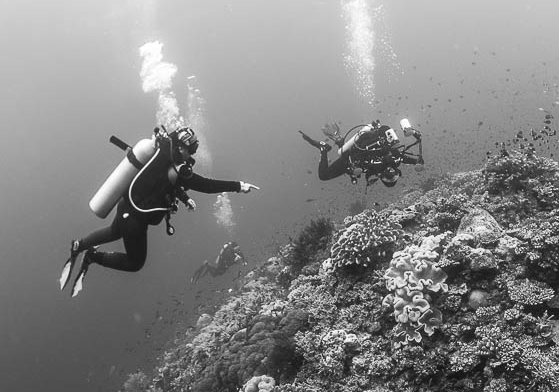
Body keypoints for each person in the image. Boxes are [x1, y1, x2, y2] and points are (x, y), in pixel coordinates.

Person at [59, 126, 259, 297]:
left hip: (125, 207)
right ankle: (93, 257)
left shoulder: (161, 156)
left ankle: (79, 245)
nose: (192, 155)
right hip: (135, 221)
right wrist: (239, 185)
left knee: (113, 232)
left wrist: (184, 198)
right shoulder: (179, 169)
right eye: (191, 150)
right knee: (135, 263)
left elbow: (161, 183)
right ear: (181, 148)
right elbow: (207, 185)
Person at [299, 118, 423, 188]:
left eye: (388, 178)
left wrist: (354, 169)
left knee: (325, 174)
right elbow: (409, 159)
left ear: (381, 177)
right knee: (325, 174)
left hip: (354, 153)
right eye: (394, 176)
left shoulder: (385, 164)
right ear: (397, 173)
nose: (390, 173)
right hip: (357, 149)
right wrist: (418, 161)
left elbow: (359, 167)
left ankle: (328, 146)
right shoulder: (395, 158)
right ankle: (329, 146)